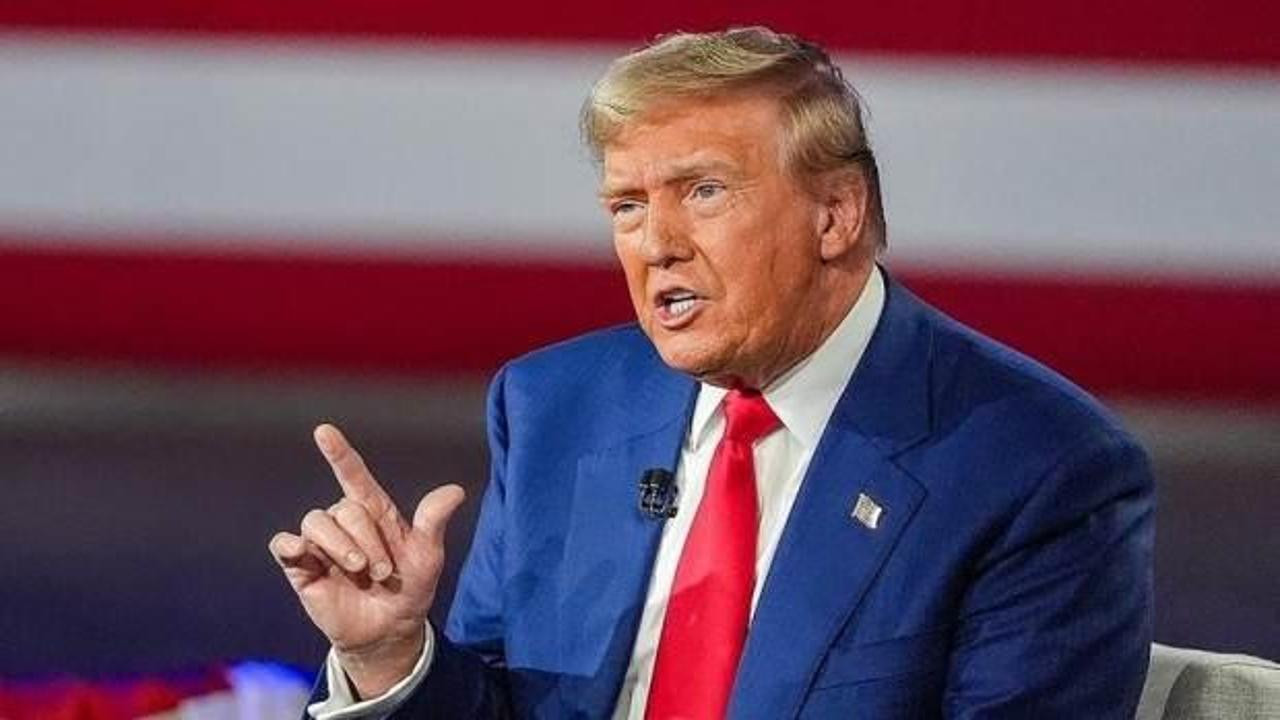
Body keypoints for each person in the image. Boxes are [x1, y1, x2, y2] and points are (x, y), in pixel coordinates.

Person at [269, 27, 1154, 719]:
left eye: (704, 192)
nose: (657, 244)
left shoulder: (1036, 467)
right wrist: (391, 657)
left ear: (836, 214)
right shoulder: (555, 407)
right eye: (627, 205)